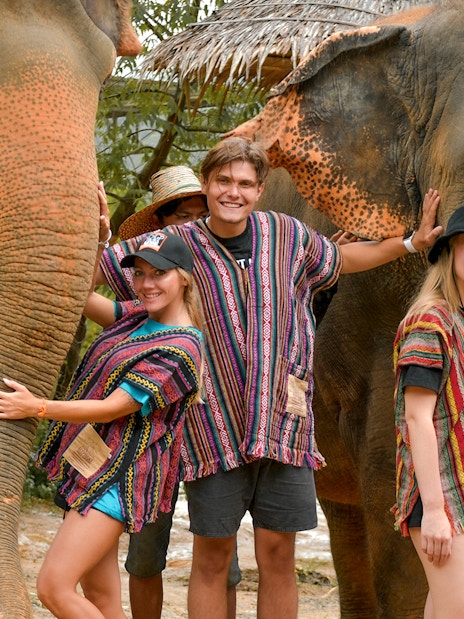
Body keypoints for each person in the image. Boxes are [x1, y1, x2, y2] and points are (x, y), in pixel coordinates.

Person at [98, 137, 442, 619]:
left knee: (279, 556)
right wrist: (95, 233)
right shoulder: (176, 246)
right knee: (212, 558)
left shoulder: (287, 233)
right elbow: (104, 269)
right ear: (206, 183)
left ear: (259, 189)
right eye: (222, 181)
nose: (232, 192)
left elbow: (343, 260)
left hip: (285, 424)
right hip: (210, 426)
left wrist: (411, 243)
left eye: (244, 183)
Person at [0, 188, 203, 619]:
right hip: (95, 466)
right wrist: (99, 239)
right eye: (141, 273)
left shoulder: (181, 348)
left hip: (117, 479)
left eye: (159, 274)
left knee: (54, 588)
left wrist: (36, 407)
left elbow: (113, 408)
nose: (147, 284)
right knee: (101, 597)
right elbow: (81, 295)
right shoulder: (137, 316)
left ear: (184, 277)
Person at [393, 204, 464, 619]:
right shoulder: (430, 321)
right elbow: (417, 418)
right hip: (436, 494)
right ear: (449, 254)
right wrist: (436, 512)